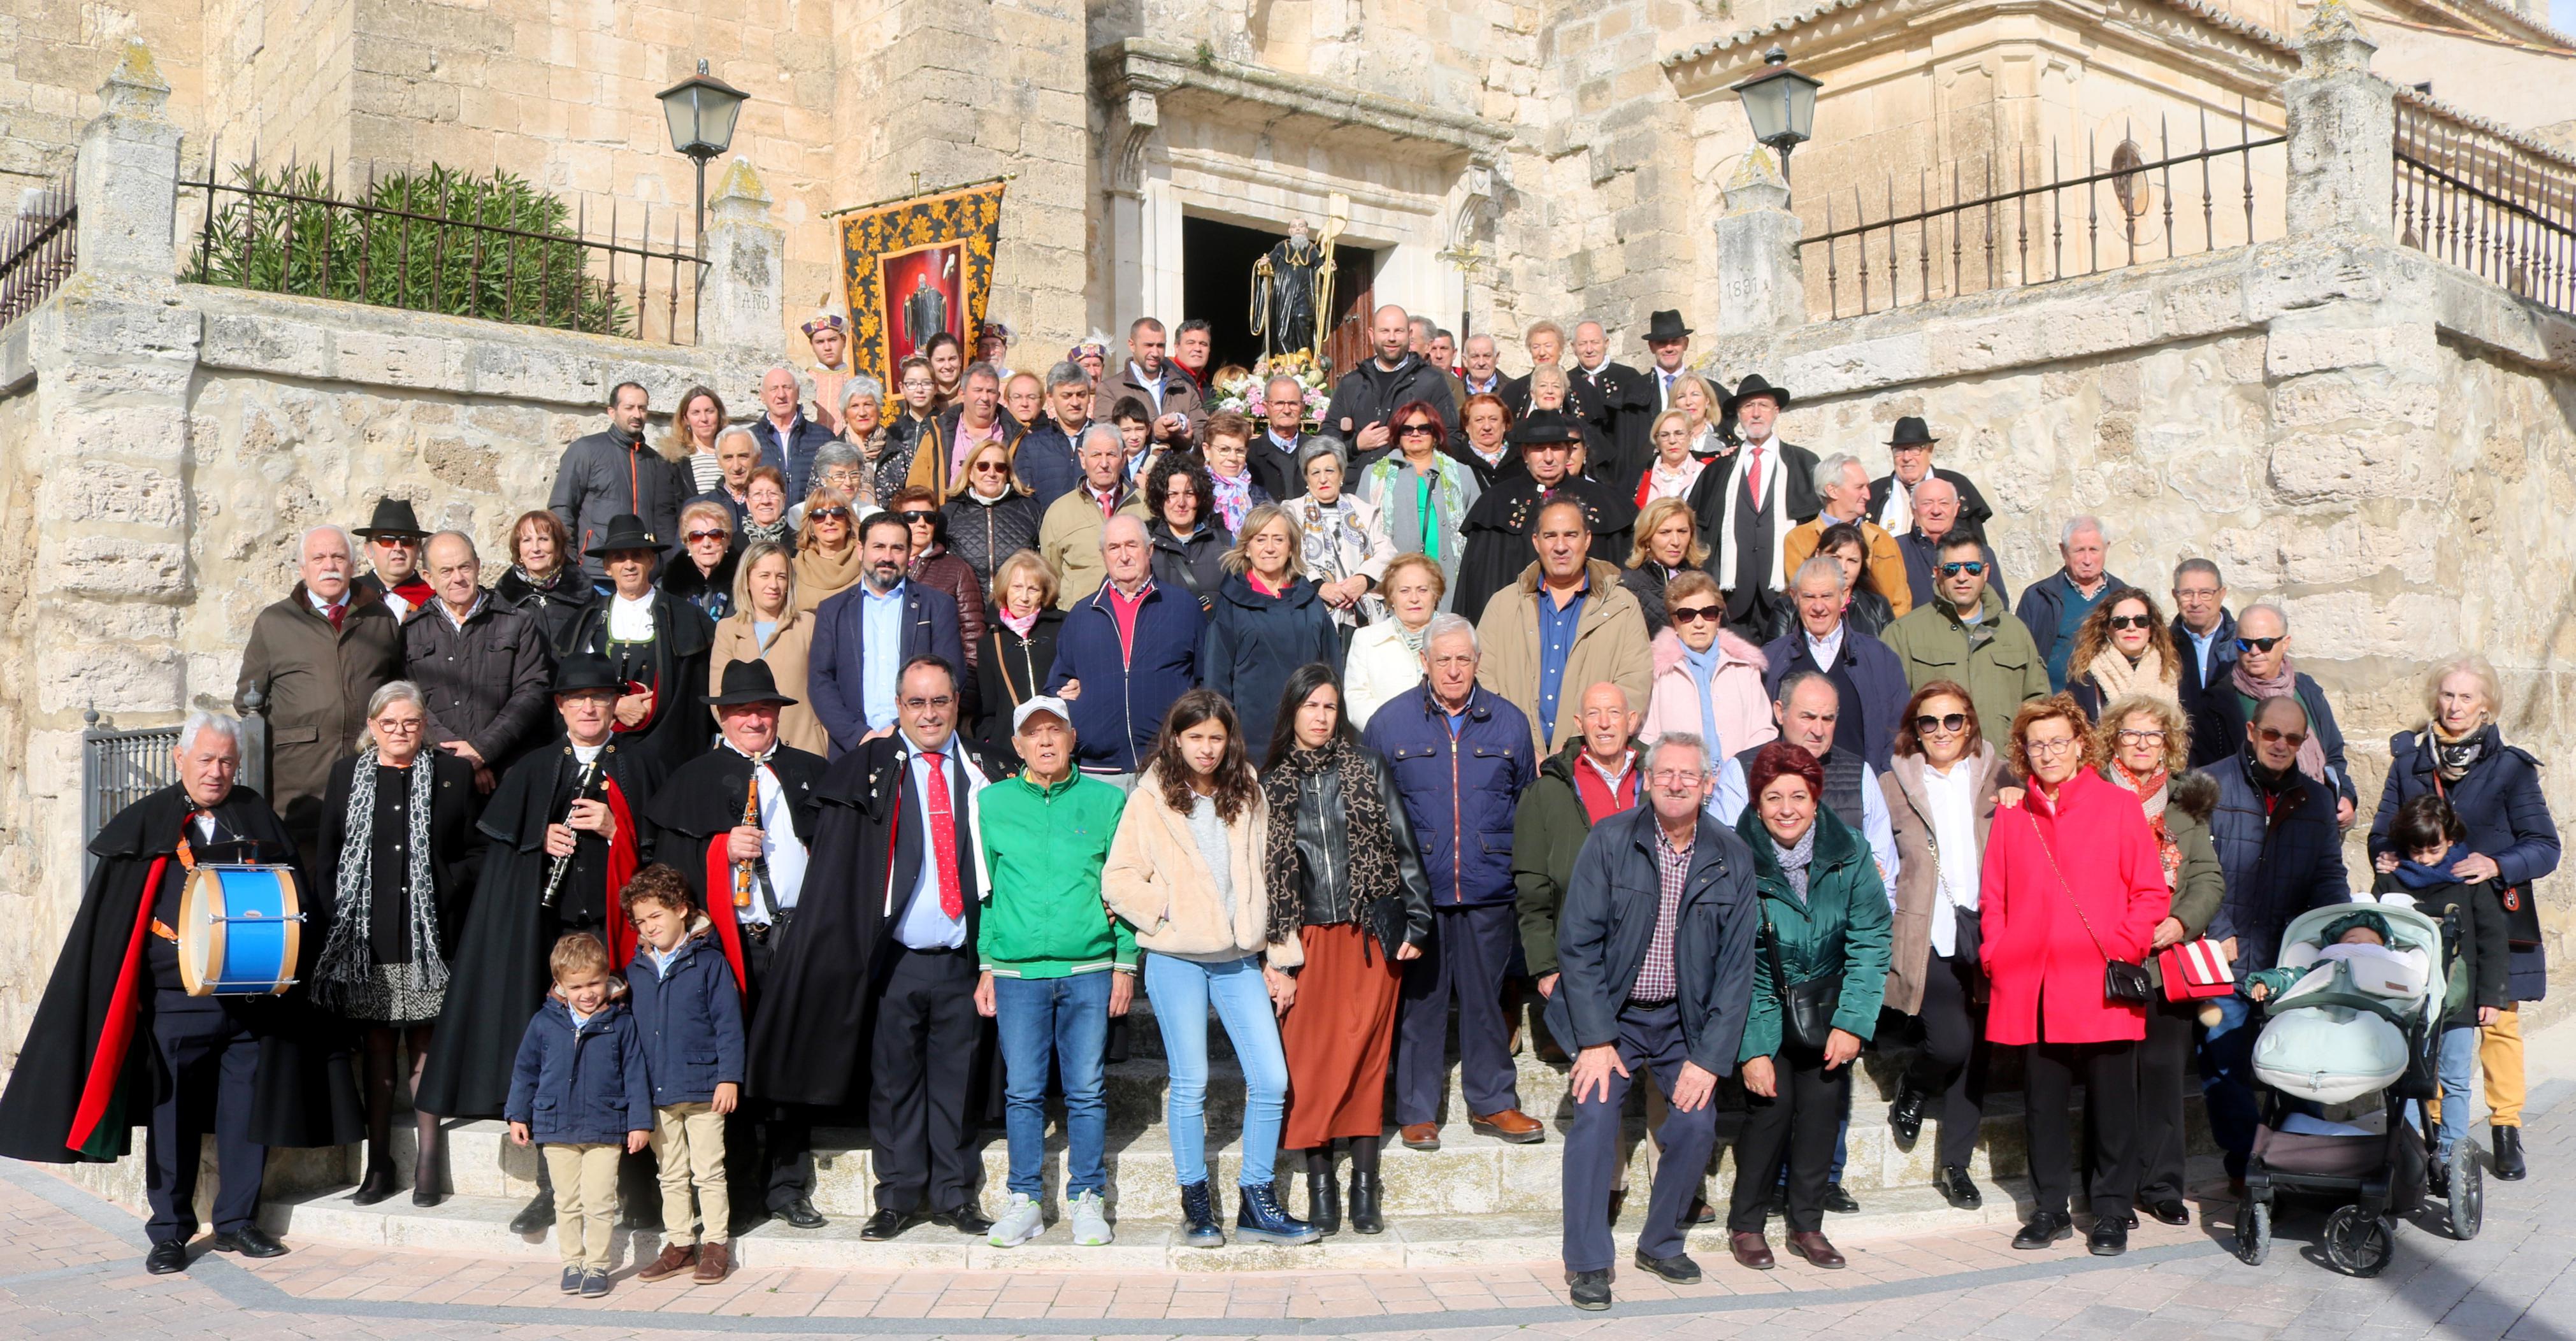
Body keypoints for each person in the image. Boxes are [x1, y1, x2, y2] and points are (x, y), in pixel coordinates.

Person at [0, 712, 361, 1275]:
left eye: (227, 762)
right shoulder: (147, 821)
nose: (217, 772)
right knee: (172, 1116)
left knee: (247, 1109)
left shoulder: (255, 814)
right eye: (206, 760)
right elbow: (118, 920)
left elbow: (290, 897)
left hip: (252, 999)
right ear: (180, 759)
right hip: (177, 999)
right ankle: (169, 1231)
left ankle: (238, 1222)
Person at [748, 657, 998, 1238]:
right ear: (898, 706)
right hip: (896, 959)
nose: (929, 714)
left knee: (956, 1081)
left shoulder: (987, 769)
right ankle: (899, 1195)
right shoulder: (868, 769)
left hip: (964, 956)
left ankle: (954, 1194)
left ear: (956, 702)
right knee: (893, 1082)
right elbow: (839, 863)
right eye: (916, 703)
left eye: (939, 701)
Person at [414, 653, 662, 1233]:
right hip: (552, 939)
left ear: (613, 705)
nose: (588, 707)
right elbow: (499, 859)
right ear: (560, 707)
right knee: (557, 1064)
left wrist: (615, 828)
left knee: (628, 1056)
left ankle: (637, 1189)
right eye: (577, 698)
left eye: (599, 697)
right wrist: (536, 840)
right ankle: (554, 1189)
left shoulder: (644, 765)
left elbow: (662, 849)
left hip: (615, 936)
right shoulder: (534, 767)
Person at [1550, 729, 1760, 1310]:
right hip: (1612, 1013)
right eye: (1665, 773)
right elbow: (1578, 945)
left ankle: (1660, 1240)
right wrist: (1594, 1038)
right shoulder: (1610, 839)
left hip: (1681, 1021)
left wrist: (1710, 1058)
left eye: (1687, 776)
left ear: (1708, 785)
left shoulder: (1730, 855)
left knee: (1695, 1123)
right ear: (1646, 778)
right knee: (1594, 1116)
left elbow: (1737, 969)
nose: (1674, 783)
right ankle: (1588, 1260)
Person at [1101, 690, 1317, 1247]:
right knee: (1191, 1081)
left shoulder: (1246, 788)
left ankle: (1256, 1200)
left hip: (1237, 958)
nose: (1206, 748)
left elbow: (1274, 874)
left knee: (1271, 1078)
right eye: (1195, 737)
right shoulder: (1150, 796)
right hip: (1176, 957)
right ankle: (1195, 1202)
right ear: (1176, 738)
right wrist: (1168, 910)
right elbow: (1119, 877)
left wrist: (1279, 956)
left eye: (1215, 737)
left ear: (1229, 739)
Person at [642, 659, 830, 1233]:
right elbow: (666, 871)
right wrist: (717, 849)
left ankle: (789, 1185)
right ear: (723, 715)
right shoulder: (692, 777)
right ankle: (740, 1188)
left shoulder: (811, 771)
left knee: (791, 1061)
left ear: (778, 714)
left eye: (764, 709)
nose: (755, 718)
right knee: (733, 1066)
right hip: (729, 944)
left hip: (796, 938)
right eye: (743, 709)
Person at [1980, 696, 2167, 1256]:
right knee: (2042, 1105)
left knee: (2112, 1105)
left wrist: (2122, 944)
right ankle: (2049, 1209)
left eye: (2058, 741)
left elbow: (2149, 891)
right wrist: (1997, 952)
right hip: (2032, 984)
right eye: (2037, 744)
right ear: (2024, 753)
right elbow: (1993, 897)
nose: (2048, 753)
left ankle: (2110, 1211)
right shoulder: (2013, 813)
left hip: (2101, 983)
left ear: (2081, 744)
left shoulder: (2117, 805)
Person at [2368, 654, 2558, 1180]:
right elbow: (2385, 827)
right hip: (2426, 917)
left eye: (2466, 697)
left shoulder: (2509, 768)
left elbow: (2545, 846)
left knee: (2498, 1022)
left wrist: (2496, 862)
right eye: (2447, 695)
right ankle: (2432, 1136)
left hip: (2494, 912)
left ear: (2486, 705)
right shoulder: (2408, 760)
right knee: (2431, 1024)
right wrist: (2384, 854)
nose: (2454, 706)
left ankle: (2505, 1127)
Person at [1361, 615, 1544, 1150]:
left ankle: (1493, 1102)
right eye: (1443, 659)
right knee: (1421, 1001)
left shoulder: (1508, 723)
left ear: (1477, 662)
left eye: (1463, 658)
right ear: (1424, 662)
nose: (1453, 668)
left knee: (1487, 998)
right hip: (1420, 892)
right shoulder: (1389, 723)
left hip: (1488, 888)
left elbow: (1524, 805)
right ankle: (1417, 1110)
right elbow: (1372, 815)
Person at [1267, 666, 1434, 1236]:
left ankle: (1364, 1184)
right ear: (1291, 710)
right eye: (1310, 705)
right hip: (1306, 939)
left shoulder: (1366, 766)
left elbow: (1402, 843)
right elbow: (1260, 876)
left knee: (1365, 1061)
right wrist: (1275, 954)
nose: (1320, 716)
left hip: (1367, 935)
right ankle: (1320, 1187)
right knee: (1308, 1067)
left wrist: (1416, 919)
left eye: (1330, 707)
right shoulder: (1270, 781)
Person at [310, 682, 483, 1207]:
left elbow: (476, 851)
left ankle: (428, 1162)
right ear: (372, 727)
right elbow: (328, 857)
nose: (400, 732)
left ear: (424, 725)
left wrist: (446, 885)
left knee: (426, 1043)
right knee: (380, 1047)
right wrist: (338, 923)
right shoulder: (347, 775)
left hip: (431, 934)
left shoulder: (453, 775)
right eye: (388, 724)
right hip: (370, 936)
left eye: (409, 722)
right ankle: (379, 1162)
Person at [971, 696, 1130, 1249]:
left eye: (1054, 731)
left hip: (1088, 965)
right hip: (1017, 973)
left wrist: (1125, 961)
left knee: (1086, 1088)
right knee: (1023, 1091)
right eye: (1032, 733)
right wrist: (987, 963)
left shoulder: (1107, 801)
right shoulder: (990, 803)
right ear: (1016, 745)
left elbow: (1123, 887)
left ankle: (1088, 1197)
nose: (1044, 741)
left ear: (1071, 737)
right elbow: (987, 892)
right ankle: (1025, 1199)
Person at [1727, 741, 1889, 1273]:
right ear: (1756, 803)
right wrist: (1751, 1047)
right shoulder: (1734, 858)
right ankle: (1747, 1224)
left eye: (1798, 795)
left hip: (1826, 1008)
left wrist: (1852, 1021)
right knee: (1769, 1112)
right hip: (1762, 1008)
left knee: (1821, 1114)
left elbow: (1870, 939)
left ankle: (1807, 1223)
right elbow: (1730, 960)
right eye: (1773, 797)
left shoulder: (1851, 852)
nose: (1786, 807)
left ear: (1816, 799)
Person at [2196, 693, 2349, 1194]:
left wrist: (2338, 933)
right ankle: (2245, 1162)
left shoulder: (2316, 798)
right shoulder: (2209, 785)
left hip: (2289, 961)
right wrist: (2217, 935)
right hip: (2224, 957)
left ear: (2303, 743)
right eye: (2270, 734)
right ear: (2250, 731)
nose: (2280, 745)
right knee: (2222, 1064)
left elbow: (2328, 876)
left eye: (2292, 738)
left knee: (2302, 1063)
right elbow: (2192, 872)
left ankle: (2302, 1164)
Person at [2091, 694, 2222, 1228]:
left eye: (2153, 735)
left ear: (2167, 742)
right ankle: (2113, 1192)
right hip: (2115, 957)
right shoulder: (2094, 796)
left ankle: (2163, 1185)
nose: (2142, 744)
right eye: (2130, 735)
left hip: (2167, 960)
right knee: (2113, 1079)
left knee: (2165, 1073)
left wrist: (2181, 922)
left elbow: (2209, 878)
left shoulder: (2184, 806)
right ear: (2112, 740)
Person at [1878, 682, 2003, 1209]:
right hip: (1925, 930)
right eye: (1928, 722)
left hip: (1991, 928)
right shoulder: (1892, 783)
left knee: (1976, 1052)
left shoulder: (1999, 778)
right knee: (1950, 1041)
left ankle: (1956, 1165)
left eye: (1953, 720)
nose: (1942, 732)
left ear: (1970, 724)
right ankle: (1914, 1080)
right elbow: (1877, 850)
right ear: (1915, 729)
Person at [236, 523, 406, 858]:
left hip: (368, 773)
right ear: (303, 569)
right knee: (305, 884)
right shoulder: (274, 622)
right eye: (318, 558)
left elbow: (397, 690)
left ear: (353, 566)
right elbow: (249, 700)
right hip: (300, 785)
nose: (329, 565)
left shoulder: (380, 619)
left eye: (338, 557)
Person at [504, 931, 654, 1299]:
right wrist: (517, 1115)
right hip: (556, 1126)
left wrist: (639, 1122)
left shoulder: (621, 1022)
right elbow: (526, 1071)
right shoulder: (544, 1022)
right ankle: (572, 1261)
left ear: (607, 979)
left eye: (595, 983)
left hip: (606, 1125)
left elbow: (636, 1074)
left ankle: (598, 1265)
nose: (587, 993)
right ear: (560, 986)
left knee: (600, 1201)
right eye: (576, 987)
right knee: (566, 1200)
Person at [2377, 794, 2512, 1189]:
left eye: (2433, 849)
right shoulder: (2392, 877)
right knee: (2410, 1077)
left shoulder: (2468, 879)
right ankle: (2411, 1149)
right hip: (2409, 998)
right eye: (2415, 850)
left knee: (2454, 1078)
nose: (2423, 858)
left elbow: (2492, 940)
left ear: (2451, 840)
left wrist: (2492, 996)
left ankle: (2452, 1153)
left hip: (2459, 998)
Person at [620, 865, 745, 1285]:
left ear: (681, 910)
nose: (649, 926)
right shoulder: (634, 969)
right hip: (657, 1090)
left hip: (704, 1087)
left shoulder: (709, 962)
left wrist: (728, 1077)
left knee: (708, 1169)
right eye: (640, 920)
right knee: (669, 1171)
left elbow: (729, 1024)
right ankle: (679, 1244)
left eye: (656, 915)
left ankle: (715, 1244)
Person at [1476, 496, 1655, 756]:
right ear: (1536, 542)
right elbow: (1483, 681)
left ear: (1587, 540)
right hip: (1512, 759)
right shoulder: (1503, 605)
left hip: (1590, 761)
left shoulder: (1622, 607)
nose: (1561, 546)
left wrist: (1577, 750)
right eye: (1551, 536)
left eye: (1571, 535)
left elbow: (1633, 684)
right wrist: (1519, 748)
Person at [1514, 682, 1646, 1028]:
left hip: (1652, 961)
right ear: (1579, 722)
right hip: (1581, 961)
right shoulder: (1549, 791)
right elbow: (1531, 888)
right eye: (1593, 714)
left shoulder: (1659, 781)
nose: (1604, 723)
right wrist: (1545, 966)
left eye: (1614, 713)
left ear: (1631, 721)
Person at [1047, 515, 1204, 787]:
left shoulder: (1184, 607)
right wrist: (1076, 704)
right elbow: (1057, 688)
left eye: (1132, 545)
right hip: (1099, 772)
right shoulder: (1082, 615)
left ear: (1149, 550)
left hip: (1169, 766)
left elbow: (1207, 681)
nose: (1124, 556)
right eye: (1114, 547)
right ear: (1103, 555)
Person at [560, 514, 716, 775]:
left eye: (637, 556)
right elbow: (574, 690)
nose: (629, 565)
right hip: (603, 747)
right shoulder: (587, 621)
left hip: (667, 752)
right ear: (608, 567)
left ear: (651, 561)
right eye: (620, 558)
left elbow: (693, 698)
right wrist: (615, 707)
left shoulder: (686, 617)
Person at [1454, 408, 1636, 625]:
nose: (1548, 458)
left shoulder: (1606, 503)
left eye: (1557, 449)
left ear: (1569, 452)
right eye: (1539, 449)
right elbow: (1476, 588)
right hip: (1515, 629)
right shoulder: (1495, 504)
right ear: (1525, 454)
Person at [807, 512, 968, 756]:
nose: (887, 557)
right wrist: (858, 735)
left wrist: (900, 729)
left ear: (909, 553)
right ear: (861, 551)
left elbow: (952, 675)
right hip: (852, 750)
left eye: (897, 548)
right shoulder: (832, 610)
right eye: (879, 547)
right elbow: (821, 681)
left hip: (918, 745)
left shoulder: (937, 606)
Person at [407, 530, 554, 790]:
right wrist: (459, 758)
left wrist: (482, 751)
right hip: (440, 772)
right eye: (446, 571)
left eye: (464, 567)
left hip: (509, 771)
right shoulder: (410, 631)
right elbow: (412, 702)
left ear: (477, 566)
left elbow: (532, 693)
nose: (458, 578)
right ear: (428, 578)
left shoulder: (517, 622)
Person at [2189, 601, 2358, 823]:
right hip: (2252, 825)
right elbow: (2205, 770)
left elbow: (2334, 754)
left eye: (2265, 643)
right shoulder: (2217, 702)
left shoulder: (2306, 690)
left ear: (2285, 643)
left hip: (2315, 817)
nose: (2254, 652)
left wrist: (2345, 795)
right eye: (2244, 644)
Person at [1882, 529, 2050, 750]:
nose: (1962, 577)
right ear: (1937, 573)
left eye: (1972, 568)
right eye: (1951, 570)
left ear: (1986, 572)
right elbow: (1887, 712)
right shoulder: (1904, 633)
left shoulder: (2014, 631)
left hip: (2002, 772)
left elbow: (2039, 704)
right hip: (1932, 772)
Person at [1200, 504, 1342, 752]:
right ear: (1247, 548)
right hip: (1252, 738)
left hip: (1310, 738)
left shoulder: (1309, 600)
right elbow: (1217, 678)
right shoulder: (1231, 603)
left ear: (1291, 549)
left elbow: (1333, 669)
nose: (1269, 548)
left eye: (1278, 539)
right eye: (1261, 539)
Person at [1760, 557, 1911, 770]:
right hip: (1791, 791)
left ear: (1844, 596)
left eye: (1827, 596)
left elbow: (1899, 731)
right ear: (1795, 597)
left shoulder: (1881, 659)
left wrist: (1879, 783)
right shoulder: (1771, 660)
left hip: (1858, 791)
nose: (1818, 607)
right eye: (1809, 597)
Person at [1697, 375, 1821, 636]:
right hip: (1732, 598)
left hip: (1784, 596)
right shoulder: (1719, 470)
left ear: (1776, 411)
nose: (1755, 413)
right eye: (1747, 407)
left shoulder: (1804, 464)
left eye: (1763, 405)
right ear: (1739, 415)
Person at [553, 383, 683, 582]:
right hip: (596, 574)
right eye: (629, 408)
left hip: (644, 575)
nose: (637, 415)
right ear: (612, 412)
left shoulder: (656, 462)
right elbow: (561, 509)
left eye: (642, 408)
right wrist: (571, 563)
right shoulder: (585, 451)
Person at [1356, 399, 1481, 601]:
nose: (1415, 434)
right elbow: (1362, 534)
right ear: (1398, 436)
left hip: (1452, 583)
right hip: (1395, 584)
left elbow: (1478, 533)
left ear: (1436, 435)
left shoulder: (1461, 474)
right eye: (1407, 429)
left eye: (1424, 428)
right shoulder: (1374, 476)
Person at [709, 541, 827, 757]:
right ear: (747, 580)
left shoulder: (808, 625)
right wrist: (749, 737)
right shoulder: (727, 630)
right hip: (744, 752)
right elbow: (718, 697)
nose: (774, 585)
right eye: (764, 576)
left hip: (803, 748)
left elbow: (826, 687)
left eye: (781, 577)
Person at [1641, 570, 1776, 758]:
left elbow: (1763, 732)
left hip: (1739, 781)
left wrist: (1736, 774)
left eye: (1708, 613)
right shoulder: (1656, 672)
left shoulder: (1745, 667)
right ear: (1674, 620)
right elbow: (1647, 737)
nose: (1699, 623)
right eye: (1687, 614)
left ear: (1719, 618)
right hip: (1679, 782)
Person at [1281, 440, 1396, 637]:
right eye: (1315, 473)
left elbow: (1388, 554)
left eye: (1330, 471)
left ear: (1341, 475)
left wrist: (1364, 580)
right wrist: (1320, 586)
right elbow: (1288, 555)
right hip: (1311, 615)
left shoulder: (1364, 511)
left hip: (1360, 618)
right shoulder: (1291, 511)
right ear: (1307, 479)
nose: (1323, 479)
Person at [1779, 454, 1913, 620]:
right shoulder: (1799, 539)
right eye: (1859, 487)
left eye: (1867, 487)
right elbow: (1802, 599)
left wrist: (1887, 639)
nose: (1868, 495)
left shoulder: (1882, 538)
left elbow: (1902, 601)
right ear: (1832, 490)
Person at [973, 550, 1068, 768]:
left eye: (1033, 589)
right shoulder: (989, 642)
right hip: (1010, 752)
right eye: (1017, 587)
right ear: (1005, 589)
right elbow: (987, 708)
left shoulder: (1065, 627)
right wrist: (990, 741)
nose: (1024, 597)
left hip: (1061, 747)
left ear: (1044, 594)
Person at [1037, 423, 1147, 608]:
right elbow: (1050, 577)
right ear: (1082, 458)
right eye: (1096, 455)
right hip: (1080, 620)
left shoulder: (1146, 505)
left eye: (1111, 455)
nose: (1104, 464)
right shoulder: (1059, 512)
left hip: (1139, 615)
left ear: (1123, 458)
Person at [1327, 304, 1460, 454]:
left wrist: (1415, 449)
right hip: (1358, 475)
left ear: (1409, 335)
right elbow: (1327, 437)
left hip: (1412, 475)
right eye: (1385, 331)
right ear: (1372, 335)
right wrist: (1356, 444)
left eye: (1398, 331)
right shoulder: (1352, 383)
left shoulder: (1431, 382)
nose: (1391, 338)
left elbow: (1451, 438)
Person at [2015, 517, 2125, 692]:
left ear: (2106, 548)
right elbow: (2019, 655)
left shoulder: (2124, 597)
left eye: (2094, 550)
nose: (2087, 560)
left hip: (2111, 708)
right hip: (2053, 706)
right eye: (2079, 551)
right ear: (2063, 551)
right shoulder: (2038, 597)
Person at [890, 485, 988, 670]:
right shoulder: (884, 568)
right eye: (912, 516)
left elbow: (973, 636)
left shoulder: (957, 569)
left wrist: (967, 690)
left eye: (929, 518)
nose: (921, 523)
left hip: (937, 682)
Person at [1342, 554, 1444, 729]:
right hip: (1386, 743)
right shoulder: (1365, 639)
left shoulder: (1457, 636)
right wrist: (1393, 731)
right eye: (1405, 591)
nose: (1414, 598)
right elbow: (1356, 701)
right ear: (1392, 597)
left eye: (1423, 590)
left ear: (1435, 595)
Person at [2064, 587, 2180, 721]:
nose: (2131, 628)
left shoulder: (2171, 673)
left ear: (2151, 628)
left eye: (2141, 621)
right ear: (2108, 629)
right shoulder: (2085, 680)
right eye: (2121, 622)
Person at [941, 438, 1042, 592]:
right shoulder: (948, 515)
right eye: (983, 466)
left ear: (1007, 473)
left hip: (1017, 608)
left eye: (1000, 467)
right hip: (965, 609)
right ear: (970, 473)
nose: (992, 473)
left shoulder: (1031, 511)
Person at [1892, 477, 2006, 611]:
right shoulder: (1894, 550)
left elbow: (1997, 607)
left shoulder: (1980, 552)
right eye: (1927, 503)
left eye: (1944, 503)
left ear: (1956, 508)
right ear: (1913, 509)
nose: (1936, 511)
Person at [1867, 416, 1992, 536]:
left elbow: (1978, 544)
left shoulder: (1957, 485)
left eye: (1914, 449)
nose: (1906, 458)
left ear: (1930, 450)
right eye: (1899, 450)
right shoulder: (1874, 493)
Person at [496, 510, 596, 654]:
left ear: (557, 548)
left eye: (543, 539)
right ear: (519, 552)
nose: (535, 548)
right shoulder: (503, 599)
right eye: (527, 540)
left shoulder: (584, 594)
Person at [907, 362, 1009, 505]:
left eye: (990, 391)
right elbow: (915, 489)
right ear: (962, 394)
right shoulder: (937, 434)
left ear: (998, 396)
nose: (984, 398)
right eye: (978, 390)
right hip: (947, 520)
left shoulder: (1013, 436)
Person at [1143, 451, 1231, 613]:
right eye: (1172, 494)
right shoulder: (1145, 546)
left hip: (1212, 636)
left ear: (1200, 497)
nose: (1181, 503)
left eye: (1189, 493)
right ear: (1160, 498)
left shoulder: (1226, 542)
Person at [1095, 318, 1203, 448]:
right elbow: (1105, 437)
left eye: (1160, 346)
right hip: (1134, 468)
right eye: (1149, 345)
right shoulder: (1110, 389)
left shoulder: (1183, 387)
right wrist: (1152, 433)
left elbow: (1203, 431)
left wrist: (1188, 440)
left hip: (1179, 466)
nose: (1155, 353)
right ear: (1132, 345)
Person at [1565, 319, 1652, 480]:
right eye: (1583, 344)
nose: (1589, 349)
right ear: (1573, 347)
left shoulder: (1629, 377)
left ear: (1606, 343)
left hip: (1623, 465)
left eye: (1595, 342)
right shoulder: (1565, 381)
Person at [1792, 522, 1899, 640]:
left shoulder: (1878, 606)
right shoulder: (1789, 608)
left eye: (1852, 561)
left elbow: (1890, 655)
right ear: (1818, 555)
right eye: (1835, 558)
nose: (1843, 568)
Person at [1016, 362, 1097, 510]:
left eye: (1081, 395)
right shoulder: (1032, 445)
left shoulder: (1105, 439)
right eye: (1067, 396)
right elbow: (1023, 501)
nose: (1075, 402)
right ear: (1051, 397)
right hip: (1048, 530)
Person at [749, 365, 837, 499]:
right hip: (768, 516)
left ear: (798, 392)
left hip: (812, 517)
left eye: (787, 388)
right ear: (763, 396)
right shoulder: (750, 439)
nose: (781, 395)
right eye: (774, 389)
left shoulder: (824, 437)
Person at [1622, 496, 1705, 634]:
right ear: (1647, 537)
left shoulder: (1704, 581)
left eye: (1682, 531)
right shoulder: (1628, 586)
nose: (1676, 541)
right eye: (1665, 532)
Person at [2169, 558, 2238, 715]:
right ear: (2175, 595)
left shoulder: (2243, 643)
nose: (2195, 602)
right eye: (2187, 593)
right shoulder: (2162, 645)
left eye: (2205, 593)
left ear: (2222, 594)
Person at [352, 497, 435, 624]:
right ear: (368, 550)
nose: (398, 548)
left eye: (407, 541)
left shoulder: (435, 599)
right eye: (387, 540)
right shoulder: (351, 594)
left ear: (418, 549)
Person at [659, 500, 738, 622]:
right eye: (697, 536)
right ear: (687, 544)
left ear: (727, 541)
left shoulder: (745, 582)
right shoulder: (666, 589)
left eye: (715, 535)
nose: (706, 544)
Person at [789, 486, 863, 610]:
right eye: (819, 515)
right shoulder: (792, 569)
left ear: (849, 521)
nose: (829, 521)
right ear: (810, 526)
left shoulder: (867, 565)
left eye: (837, 513)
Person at [879, 357, 944, 499]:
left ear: (936, 388)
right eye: (912, 384)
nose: (919, 390)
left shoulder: (945, 426)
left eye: (926, 383)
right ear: (902, 388)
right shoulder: (893, 432)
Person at [1248, 373, 1318, 501]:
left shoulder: (1317, 450)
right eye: (1279, 403)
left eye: (1293, 403)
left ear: (1302, 407)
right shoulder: (1250, 454)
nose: (1287, 410)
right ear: (1265, 407)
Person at [692, 424, 767, 531]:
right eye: (728, 458)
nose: (736, 467)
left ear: (758, 457)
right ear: (718, 461)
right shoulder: (698, 507)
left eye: (743, 456)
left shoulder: (771, 504)